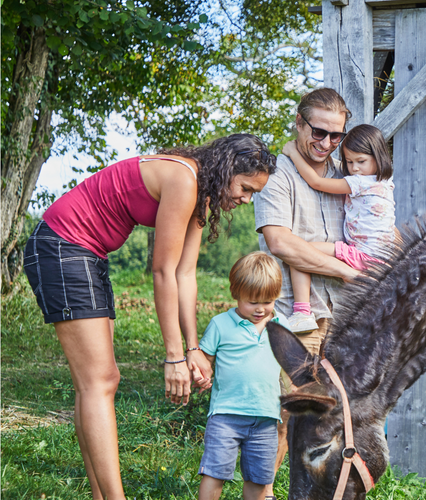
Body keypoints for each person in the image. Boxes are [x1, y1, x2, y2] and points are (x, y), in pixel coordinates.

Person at [23, 134, 276, 500]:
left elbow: (185, 274)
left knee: (95, 383)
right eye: (246, 188)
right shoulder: (184, 180)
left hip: (88, 254)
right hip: (63, 245)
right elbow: (162, 271)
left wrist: (193, 349)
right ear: (227, 170)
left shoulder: (201, 193)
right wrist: (173, 357)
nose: (246, 199)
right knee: (100, 381)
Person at [253, 87, 359, 499]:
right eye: (319, 132)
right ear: (299, 123)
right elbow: (281, 242)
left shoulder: (347, 173)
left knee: (340, 419)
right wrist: (346, 271)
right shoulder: (276, 174)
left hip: (345, 316)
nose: (327, 143)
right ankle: (262, 493)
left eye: (336, 135)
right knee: (283, 418)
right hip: (295, 318)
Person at [281, 123, 395, 332]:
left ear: (378, 157)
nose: (354, 168)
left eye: (361, 161)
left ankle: (302, 312)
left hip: (362, 256)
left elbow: (316, 182)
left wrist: (292, 153)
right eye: (349, 162)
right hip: (382, 261)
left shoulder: (360, 182)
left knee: (300, 252)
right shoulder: (386, 183)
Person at [196, 251, 287, 500]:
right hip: (226, 415)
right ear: (236, 294)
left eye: (268, 301)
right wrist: (202, 375)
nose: (260, 309)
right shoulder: (220, 324)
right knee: (215, 473)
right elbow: (205, 360)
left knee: (259, 479)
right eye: (252, 302)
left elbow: (289, 365)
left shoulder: (281, 325)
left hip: (266, 418)